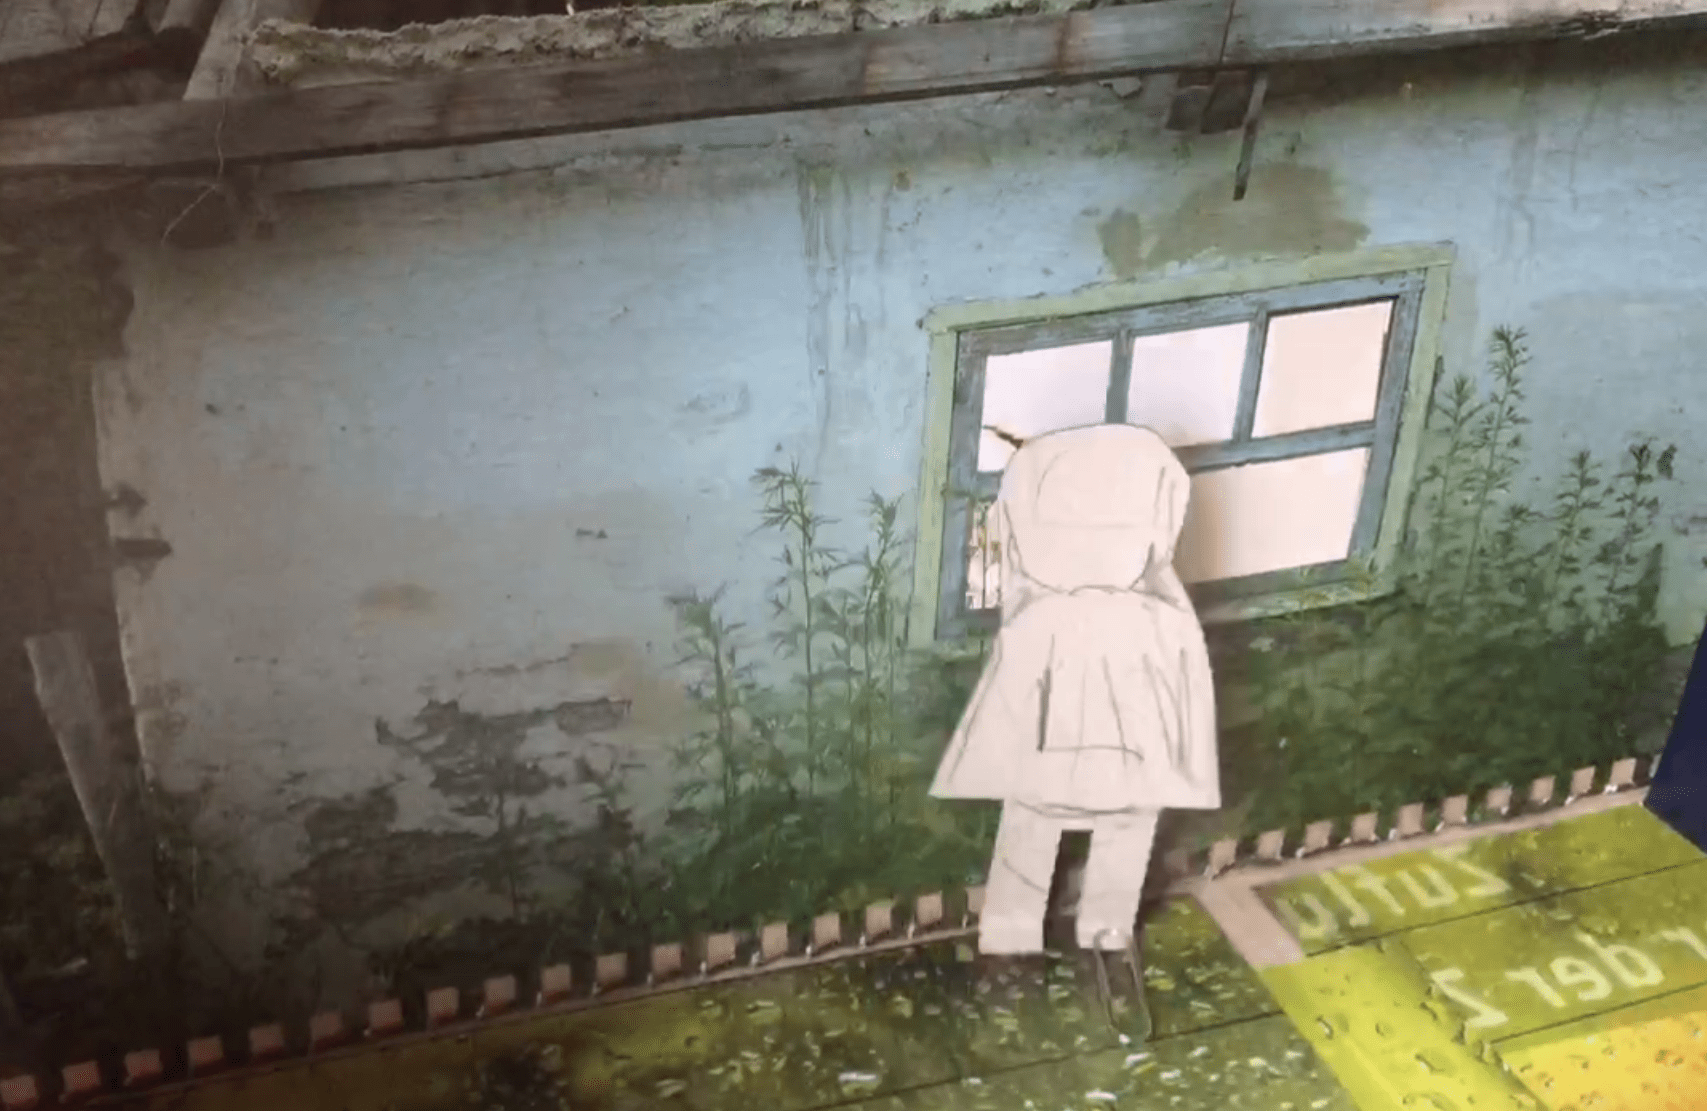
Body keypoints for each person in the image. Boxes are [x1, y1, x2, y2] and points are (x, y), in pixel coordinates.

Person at [931, 422, 1220, 960]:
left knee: (1060, 819)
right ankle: (1041, 929)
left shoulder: (1089, 612)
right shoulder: (1147, 613)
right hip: (1098, 744)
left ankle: (1065, 928)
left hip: (1088, 744)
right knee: (1072, 820)